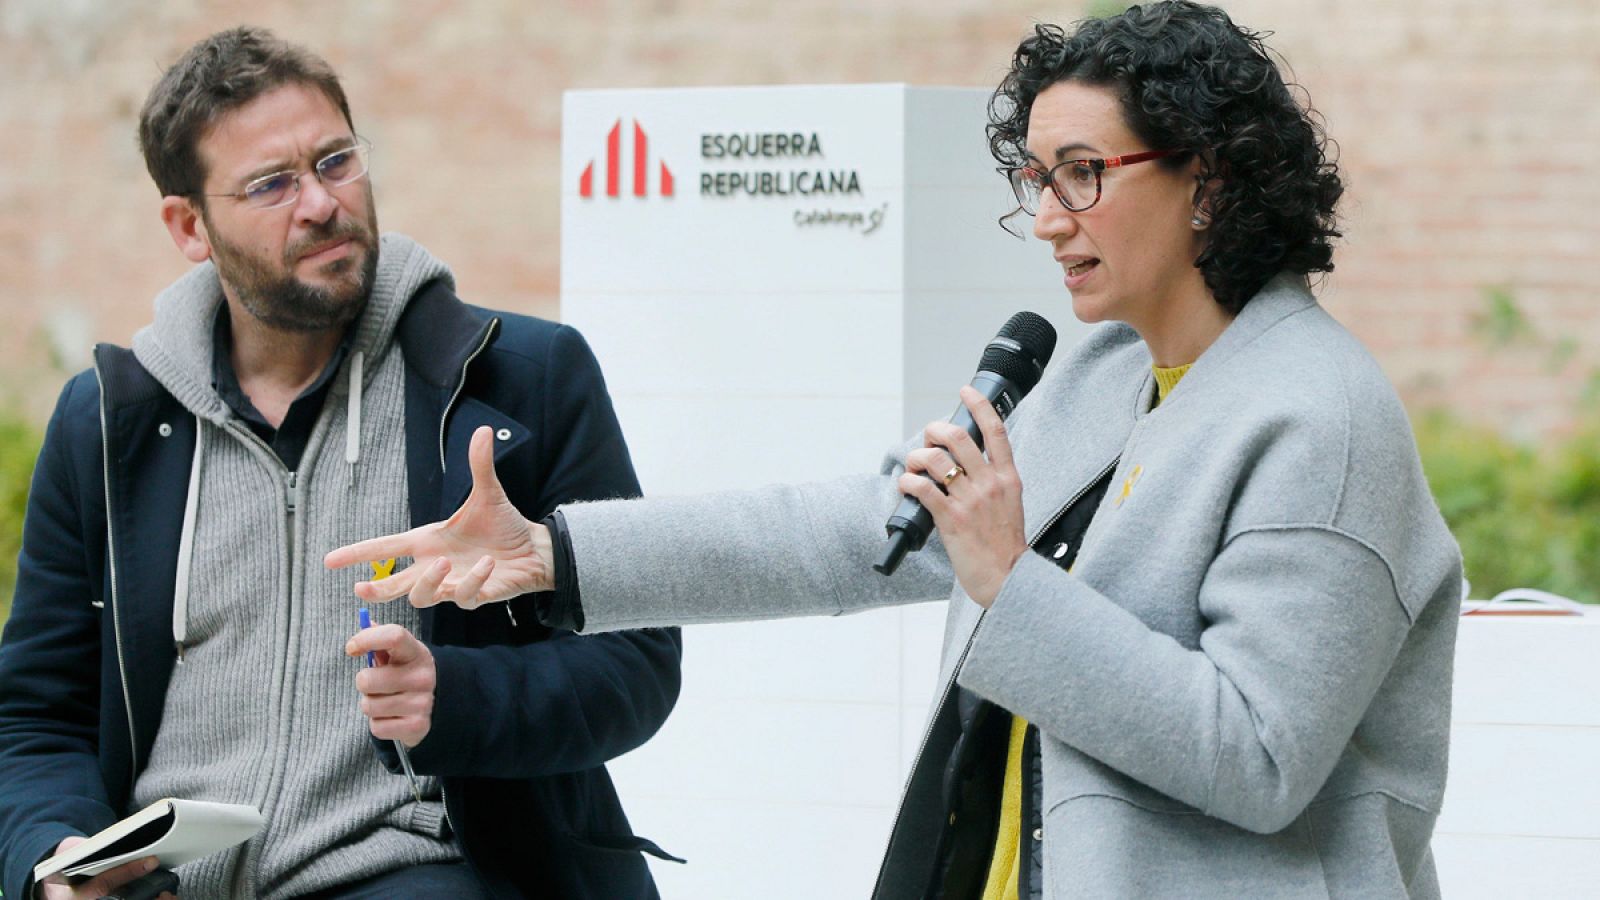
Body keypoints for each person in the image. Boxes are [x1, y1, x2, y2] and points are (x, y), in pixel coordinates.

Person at [329, 3, 1463, 898]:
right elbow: (854, 533)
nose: (1049, 217)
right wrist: (556, 556)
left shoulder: (1321, 419)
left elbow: (1257, 758)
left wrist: (1008, 583)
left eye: (1083, 173)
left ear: (1209, 178)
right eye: (1034, 180)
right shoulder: (1102, 373)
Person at [0, 26, 682, 900]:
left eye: (335, 161)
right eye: (271, 184)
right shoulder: (107, 425)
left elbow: (637, 661)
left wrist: (456, 699)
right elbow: (35, 715)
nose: (320, 204)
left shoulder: (519, 382)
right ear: (189, 226)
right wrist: (54, 859)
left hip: (419, 869)